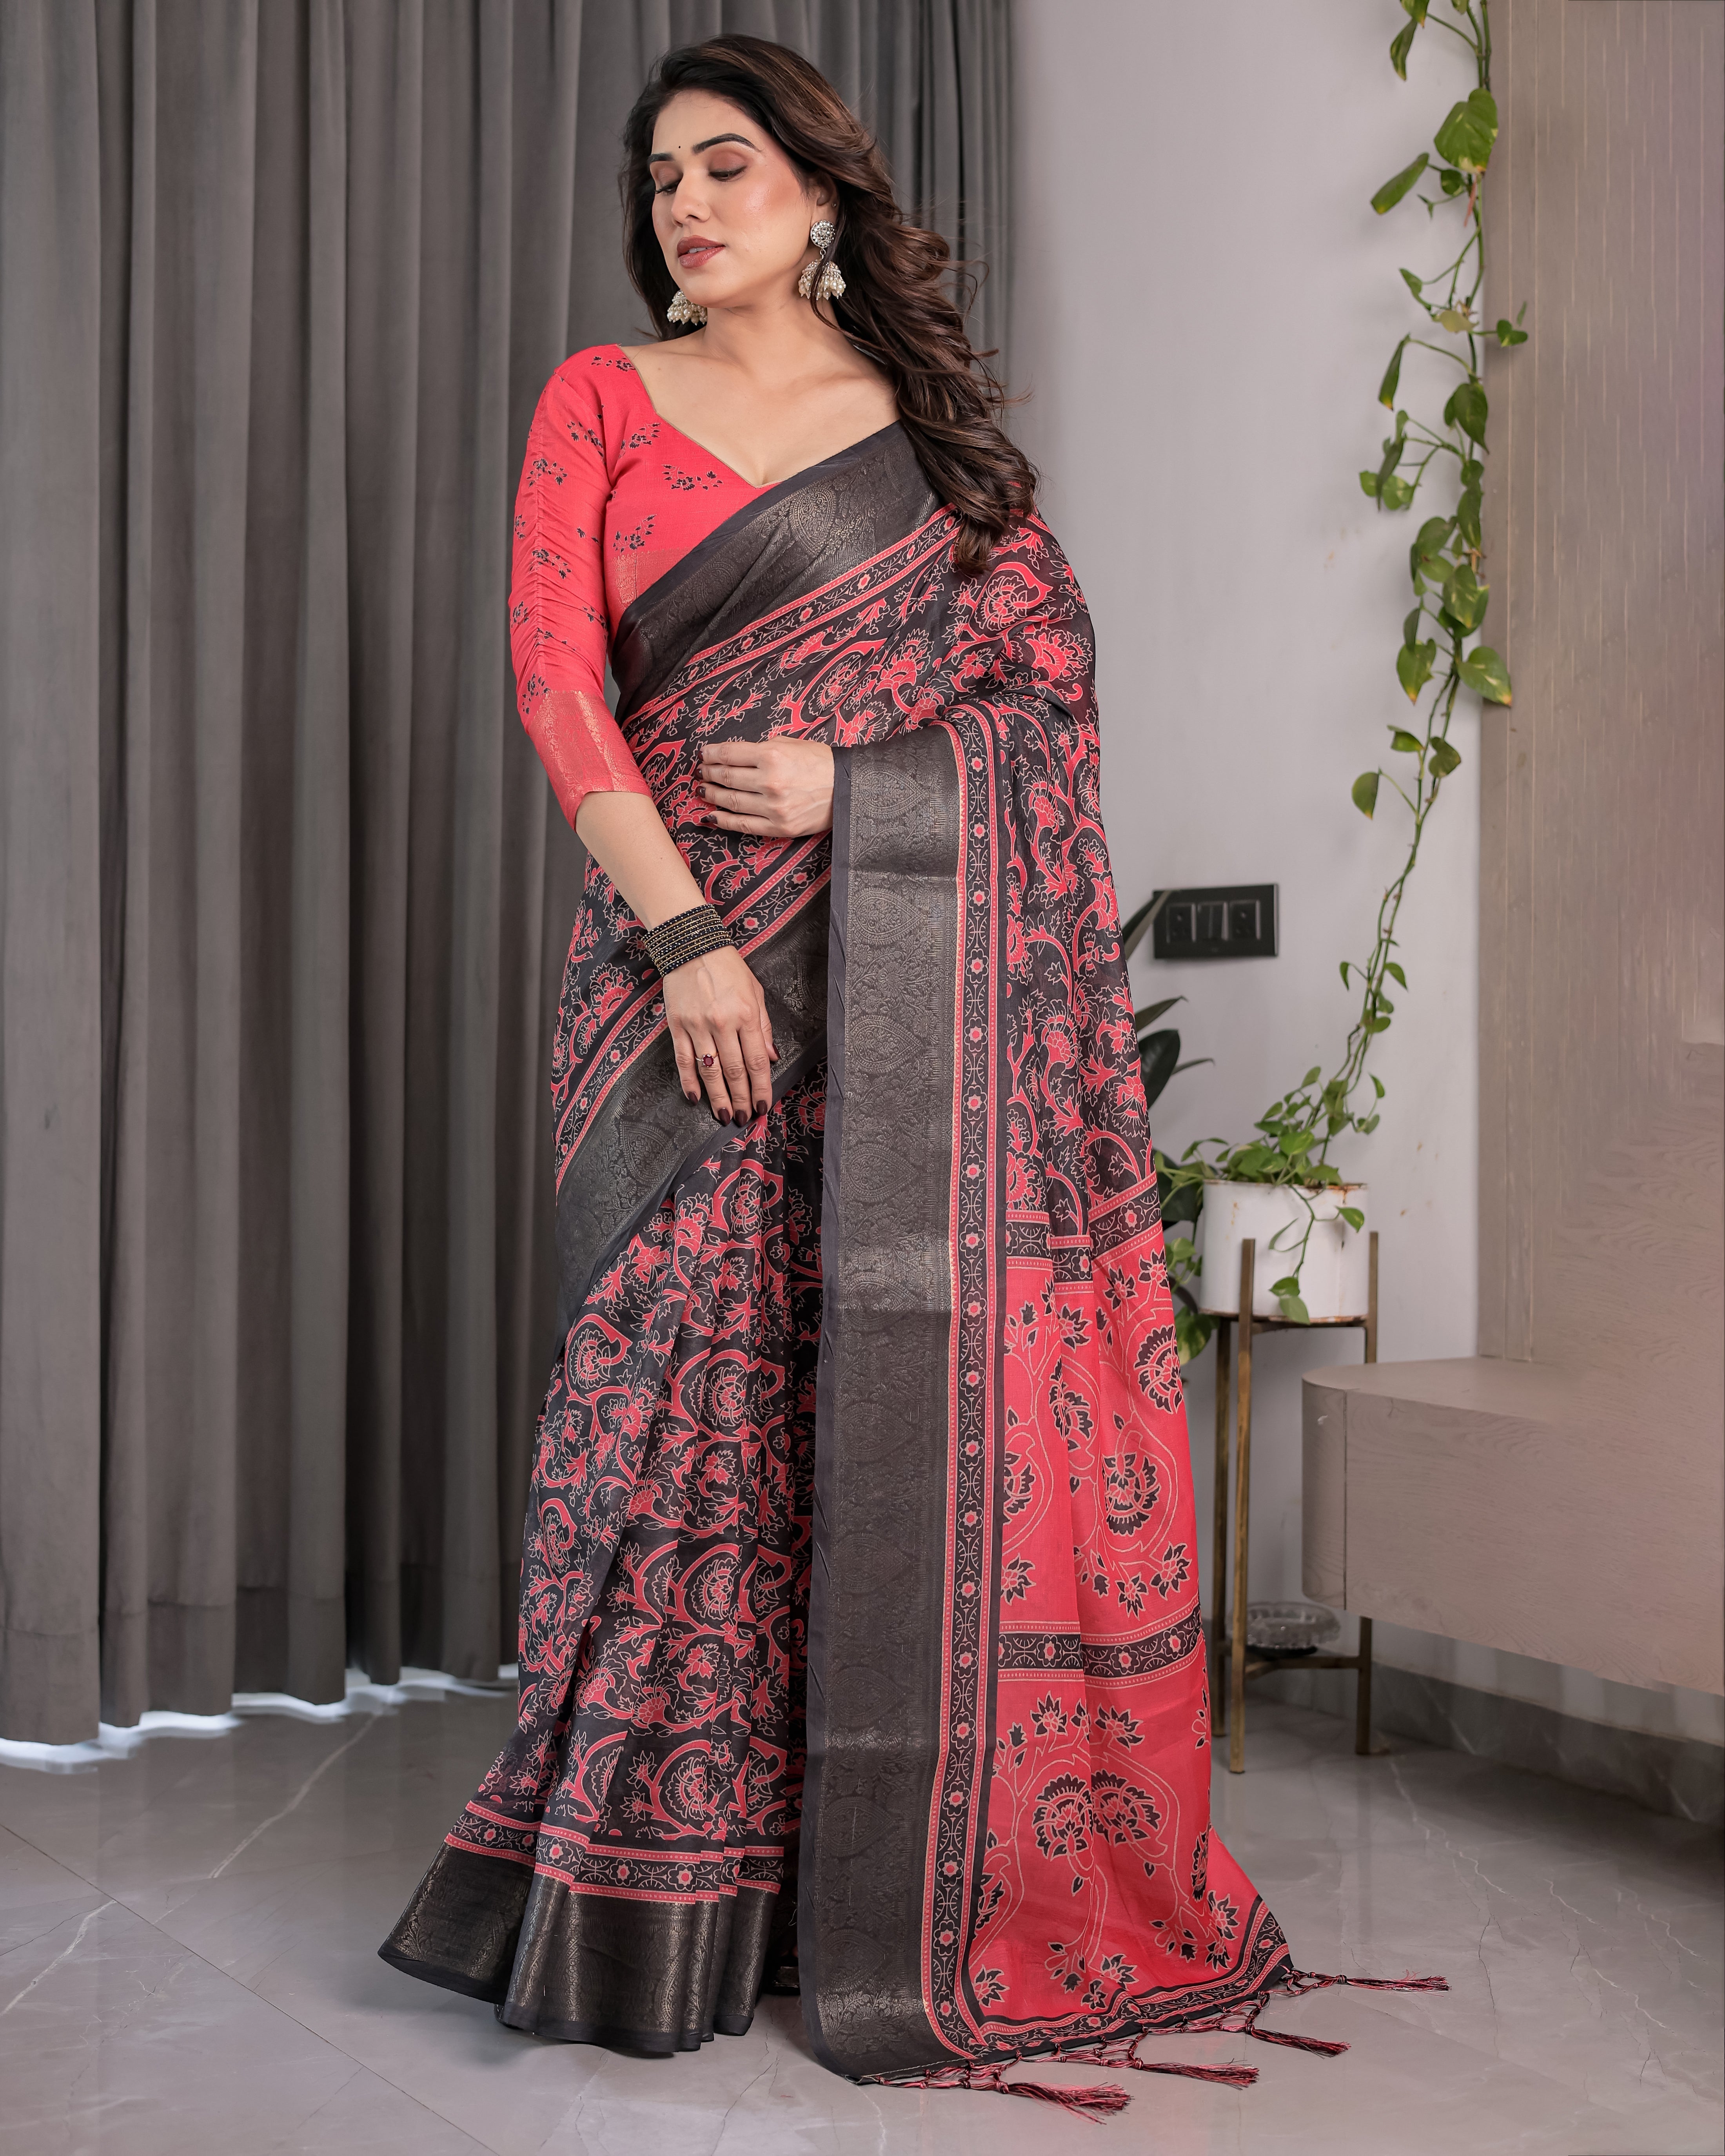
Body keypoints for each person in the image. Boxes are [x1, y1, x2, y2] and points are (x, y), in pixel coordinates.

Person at [381, 31, 1424, 2106]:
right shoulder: (605, 397)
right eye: (663, 177)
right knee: (667, 1408)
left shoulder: (933, 451)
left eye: (727, 166)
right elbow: (554, 677)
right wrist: (687, 938)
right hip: (672, 974)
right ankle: (642, 1891)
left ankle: (849, 1882)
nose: (687, 204)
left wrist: (861, 785)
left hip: (894, 1010)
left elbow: (1047, 720)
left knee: (846, 1408)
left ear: (823, 197)